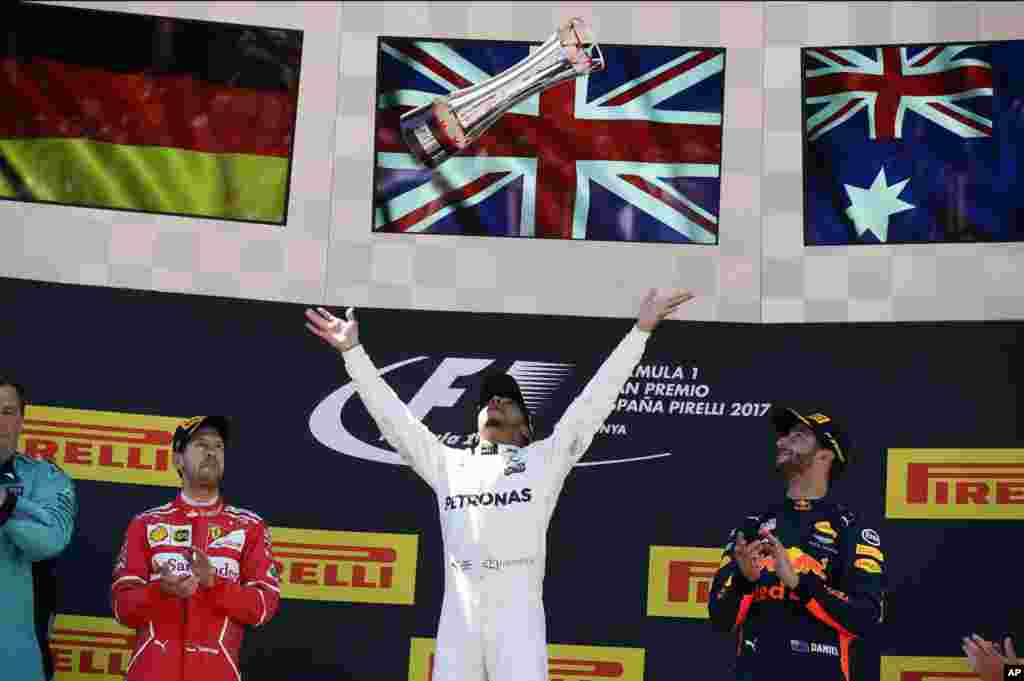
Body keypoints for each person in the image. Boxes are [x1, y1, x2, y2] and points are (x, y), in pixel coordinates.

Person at [304, 288, 694, 681]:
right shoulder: (447, 463)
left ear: (526, 429)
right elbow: (394, 421)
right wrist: (353, 352)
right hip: (459, 621)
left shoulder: (544, 459)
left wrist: (640, 332)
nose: (495, 403)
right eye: (489, 400)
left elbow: (593, 403)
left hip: (517, 623)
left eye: (507, 400)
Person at [708, 407, 887, 681]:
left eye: (799, 435)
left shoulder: (852, 528)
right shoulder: (752, 525)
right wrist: (744, 581)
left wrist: (799, 583)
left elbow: (867, 617)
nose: (781, 442)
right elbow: (720, 619)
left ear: (826, 455)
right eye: (783, 436)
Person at [111, 416, 281, 681]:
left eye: (219, 446)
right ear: (178, 459)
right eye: (201, 445)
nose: (212, 452)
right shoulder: (146, 523)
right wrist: (161, 591)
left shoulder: (249, 527)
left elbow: (263, 608)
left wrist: (214, 583)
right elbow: (122, 607)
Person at [0, 378, 77, 681]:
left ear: (21, 419)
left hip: (17, 661)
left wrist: (6, 506)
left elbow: (51, 540)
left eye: (7, 411)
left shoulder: (45, 478)